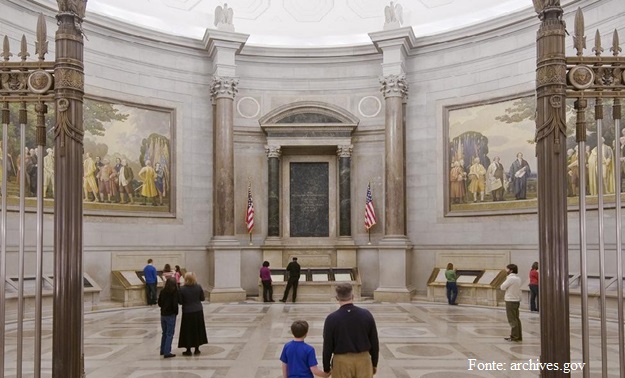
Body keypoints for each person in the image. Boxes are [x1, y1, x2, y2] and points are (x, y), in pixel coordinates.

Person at [322, 283, 379, 378]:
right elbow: (374, 341)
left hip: (341, 361)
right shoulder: (366, 315)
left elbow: (327, 345)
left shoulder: (331, 318)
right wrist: (374, 363)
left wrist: (326, 367)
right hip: (363, 360)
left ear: (337, 298)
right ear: (352, 296)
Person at [178, 272, 208, 356]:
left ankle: (188, 349)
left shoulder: (182, 289)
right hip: (198, 310)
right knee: (197, 329)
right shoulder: (198, 287)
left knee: (188, 330)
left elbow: (180, 302)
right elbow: (202, 298)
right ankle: (197, 348)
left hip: (187, 311)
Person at [157, 277, 179, 358]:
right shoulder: (174, 292)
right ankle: (167, 352)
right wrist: (176, 312)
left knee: (164, 333)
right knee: (170, 333)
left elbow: (159, 303)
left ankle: (162, 350)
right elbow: (175, 304)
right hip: (170, 314)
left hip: (163, 314)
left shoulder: (163, 291)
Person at [501, 263, 522, 342]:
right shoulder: (518, 278)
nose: (506, 270)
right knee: (516, 318)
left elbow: (502, 287)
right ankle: (518, 335)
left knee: (512, 319)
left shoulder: (510, 278)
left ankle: (514, 336)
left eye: (507, 269)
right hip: (516, 299)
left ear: (511, 270)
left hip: (510, 300)